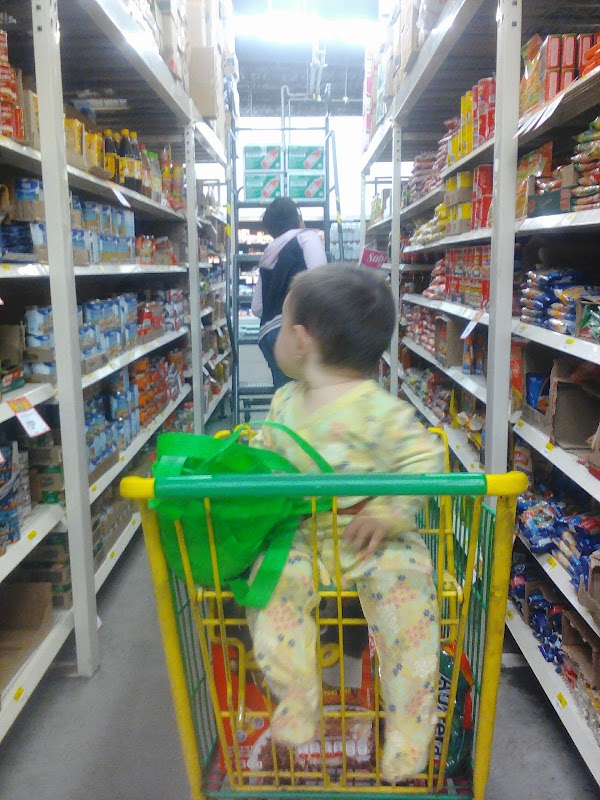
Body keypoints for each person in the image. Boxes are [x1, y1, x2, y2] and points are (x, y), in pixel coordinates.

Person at [248, 265, 444, 784]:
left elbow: (424, 460)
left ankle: (409, 735)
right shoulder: (284, 403)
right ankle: (297, 700)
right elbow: (263, 458)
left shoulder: (378, 409)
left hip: (372, 535)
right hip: (301, 534)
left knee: (411, 612)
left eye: (282, 320)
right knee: (271, 589)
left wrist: (388, 511)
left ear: (300, 339)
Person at [251, 197, 327, 388]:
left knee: (286, 396)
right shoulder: (306, 237)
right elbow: (320, 283)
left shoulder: (268, 253)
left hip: (269, 336)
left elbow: (257, 308)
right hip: (298, 331)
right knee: (313, 394)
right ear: (297, 217)